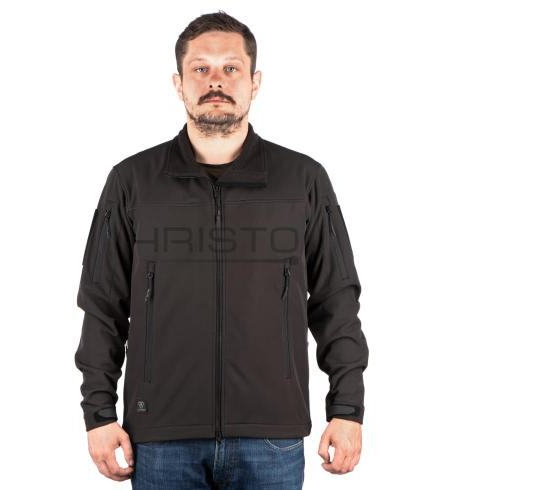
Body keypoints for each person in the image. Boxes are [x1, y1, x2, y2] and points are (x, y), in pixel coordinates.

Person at [75, 10, 369, 489]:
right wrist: (99, 414)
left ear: (255, 82)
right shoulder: (133, 181)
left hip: (271, 437)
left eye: (231, 68)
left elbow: (336, 300)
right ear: (179, 83)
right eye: (201, 68)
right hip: (161, 437)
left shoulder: (302, 180)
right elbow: (102, 305)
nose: (216, 80)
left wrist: (348, 408)